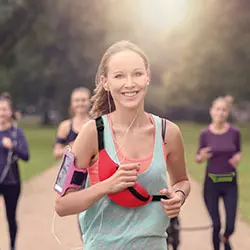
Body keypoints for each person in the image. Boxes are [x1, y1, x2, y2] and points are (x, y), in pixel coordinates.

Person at [55, 40, 190, 249]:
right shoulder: (92, 133)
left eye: (137, 74)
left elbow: (182, 181)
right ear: (105, 82)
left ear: (147, 77)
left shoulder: (168, 133)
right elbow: (62, 205)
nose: (129, 83)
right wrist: (107, 186)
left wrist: (179, 196)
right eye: (119, 76)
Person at [196, 96, 241, 250]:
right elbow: (198, 157)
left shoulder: (235, 132)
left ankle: (226, 238)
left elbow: (238, 151)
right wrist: (202, 157)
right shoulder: (205, 134)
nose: (220, 113)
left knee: (230, 225)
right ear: (211, 111)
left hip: (230, 184)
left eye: (224, 110)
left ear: (227, 113)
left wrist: (237, 157)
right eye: (218, 109)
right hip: (212, 185)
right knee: (216, 224)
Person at [0, 93, 30, 250]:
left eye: (4, 109)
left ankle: (12, 246)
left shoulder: (17, 133)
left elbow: (26, 156)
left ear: (10, 112)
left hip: (12, 182)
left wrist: (12, 146)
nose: (1, 113)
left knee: (10, 217)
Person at [53, 87, 91, 160]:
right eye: (77, 100)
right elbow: (56, 153)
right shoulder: (65, 126)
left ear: (89, 102)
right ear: (72, 103)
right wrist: (71, 148)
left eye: (83, 100)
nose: (80, 103)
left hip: (92, 169)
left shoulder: (96, 124)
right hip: (72, 169)